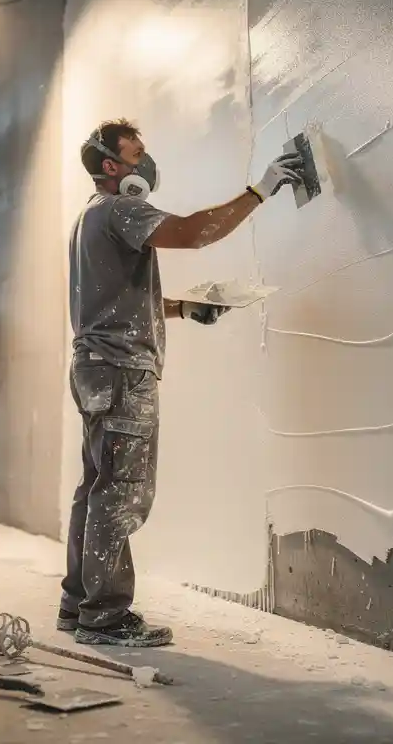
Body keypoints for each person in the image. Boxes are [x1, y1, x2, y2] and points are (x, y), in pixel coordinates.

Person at [59, 118, 304, 647]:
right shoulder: (123, 208)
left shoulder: (89, 218)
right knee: (120, 492)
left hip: (96, 367)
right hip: (123, 370)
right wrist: (261, 189)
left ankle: (77, 604)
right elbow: (194, 233)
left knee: (96, 488)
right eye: (136, 153)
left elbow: (114, 303)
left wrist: (185, 307)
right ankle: (104, 617)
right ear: (112, 167)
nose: (145, 163)